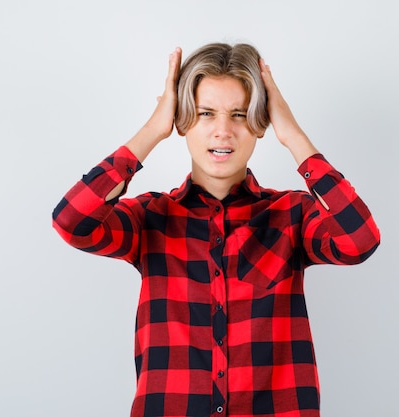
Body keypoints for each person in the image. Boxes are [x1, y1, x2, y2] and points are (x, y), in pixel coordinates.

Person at [52, 42, 380, 417]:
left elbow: (361, 241)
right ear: (182, 120)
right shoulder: (150, 218)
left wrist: (293, 136)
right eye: (206, 113)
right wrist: (153, 130)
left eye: (240, 114)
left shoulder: (292, 215)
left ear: (261, 123)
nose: (223, 131)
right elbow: (71, 221)